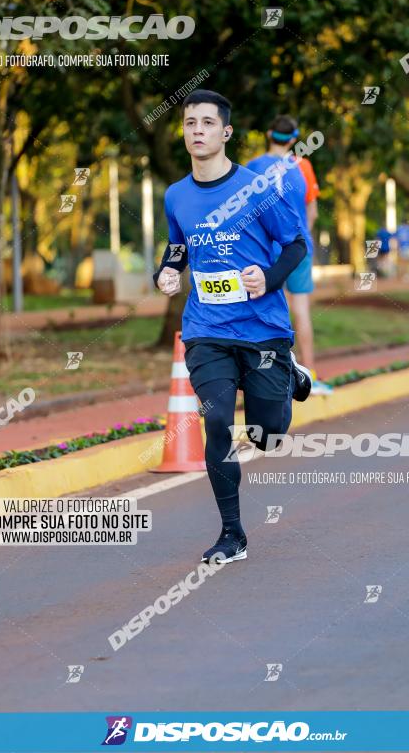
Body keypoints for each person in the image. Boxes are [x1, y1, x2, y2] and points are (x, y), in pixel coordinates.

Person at [154, 90, 313, 564]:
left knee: (268, 435)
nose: (197, 130)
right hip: (206, 329)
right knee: (218, 419)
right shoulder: (176, 195)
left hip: (262, 327)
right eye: (189, 123)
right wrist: (166, 271)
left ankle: (289, 372)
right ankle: (232, 534)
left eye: (207, 123)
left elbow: (296, 244)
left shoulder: (259, 189)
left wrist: (268, 278)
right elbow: (178, 247)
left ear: (226, 133)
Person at [246, 115, 332, 395]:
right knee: (302, 311)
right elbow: (313, 212)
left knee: (265, 314)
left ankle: (266, 380)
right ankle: (310, 377)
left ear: (269, 134)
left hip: (265, 251)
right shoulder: (303, 165)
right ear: (294, 139)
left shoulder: (252, 168)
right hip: (297, 247)